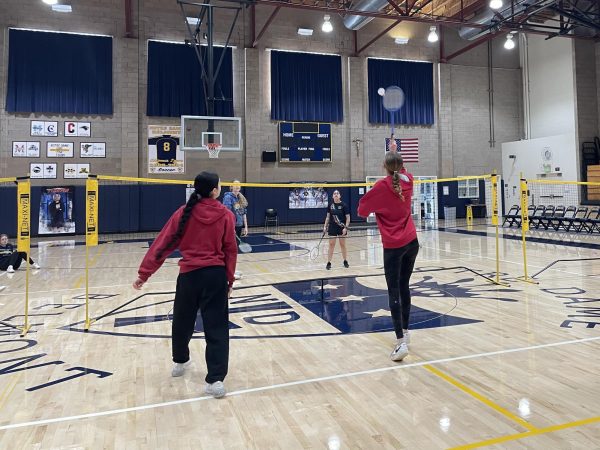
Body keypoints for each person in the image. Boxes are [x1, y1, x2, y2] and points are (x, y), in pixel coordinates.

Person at [132, 172, 237, 399]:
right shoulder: (226, 215)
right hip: (215, 277)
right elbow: (230, 251)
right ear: (215, 190)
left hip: (189, 277)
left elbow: (162, 244)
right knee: (216, 328)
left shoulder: (183, 213)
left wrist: (144, 273)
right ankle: (216, 380)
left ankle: (180, 362)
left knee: (182, 321)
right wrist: (229, 279)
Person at [358, 151, 419, 362]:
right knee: (404, 286)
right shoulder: (409, 180)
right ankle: (406, 332)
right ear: (402, 165)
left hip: (394, 246)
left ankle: (400, 342)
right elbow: (402, 173)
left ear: (383, 166)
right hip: (412, 242)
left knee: (393, 291)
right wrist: (395, 153)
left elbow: (362, 210)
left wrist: (380, 208)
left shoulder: (381, 187)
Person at [222, 180, 248, 280]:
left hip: (239, 226)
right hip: (231, 227)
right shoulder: (228, 197)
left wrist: (246, 226)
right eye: (235, 185)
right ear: (231, 187)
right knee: (229, 250)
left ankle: (231, 269)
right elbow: (226, 212)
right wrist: (230, 226)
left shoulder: (240, 198)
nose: (237, 187)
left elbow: (244, 213)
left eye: (239, 186)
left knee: (234, 250)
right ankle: (228, 272)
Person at [323, 190, 350, 270]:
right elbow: (327, 217)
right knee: (331, 245)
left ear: (340, 196)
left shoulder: (344, 205)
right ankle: (329, 262)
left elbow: (348, 218)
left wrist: (346, 228)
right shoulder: (330, 205)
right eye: (334, 193)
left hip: (342, 228)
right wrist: (325, 226)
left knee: (343, 245)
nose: (336, 194)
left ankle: (345, 261)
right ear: (332, 196)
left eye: (337, 193)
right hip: (332, 227)